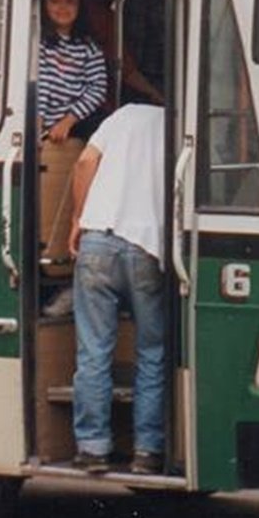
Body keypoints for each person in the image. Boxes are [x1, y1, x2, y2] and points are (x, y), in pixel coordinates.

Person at [67, 104, 166, 475]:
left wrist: (78, 218)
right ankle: (147, 450)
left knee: (93, 351)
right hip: (145, 245)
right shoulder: (180, 122)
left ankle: (92, 447)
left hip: (97, 240)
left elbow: (83, 163)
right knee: (152, 353)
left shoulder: (122, 116)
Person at [38, 0, 108, 142]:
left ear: (80, 7)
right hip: (37, 120)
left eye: (70, 1)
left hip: (74, 121)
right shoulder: (37, 42)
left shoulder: (89, 47)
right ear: (43, 5)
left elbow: (98, 89)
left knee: (105, 124)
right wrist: (37, 123)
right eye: (55, 1)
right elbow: (41, 85)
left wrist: (67, 122)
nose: (62, 7)